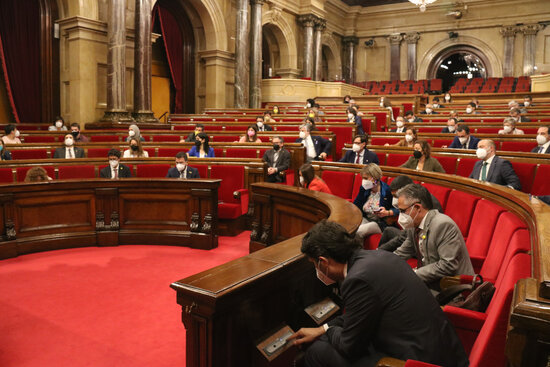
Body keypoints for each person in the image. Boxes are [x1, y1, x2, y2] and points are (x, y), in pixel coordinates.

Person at [289, 220, 469, 367]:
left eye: (314, 264)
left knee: (316, 352)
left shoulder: (357, 279)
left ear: (323, 262)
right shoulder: (379, 257)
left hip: (416, 361)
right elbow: (359, 314)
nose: (316, 270)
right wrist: (322, 329)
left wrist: (328, 332)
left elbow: (348, 347)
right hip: (442, 353)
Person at [393, 183, 475, 292]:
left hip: (452, 289)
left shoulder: (443, 224)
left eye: (403, 211)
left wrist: (415, 273)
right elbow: (403, 252)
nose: (400, 215)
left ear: (417, 207)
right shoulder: (414, 225)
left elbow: (448, 265)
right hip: (431, 282)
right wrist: (383, 264)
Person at [378, 176, 443, 252]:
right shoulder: (410, 202)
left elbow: (405, 238)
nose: (395, 199)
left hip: (423, 244)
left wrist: (379, 251)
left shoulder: (427, 205)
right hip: (411, 237)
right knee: (388, 230)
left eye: (396, 196)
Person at [352, 164, 396, 239]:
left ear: (375, 178)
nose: (363, 181)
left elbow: (398, 209)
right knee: (352, 227)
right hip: (365, 218)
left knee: (359, 231)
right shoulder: (365, 188)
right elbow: (356, 204)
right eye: (363, 178)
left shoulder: (387, 190)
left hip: (379, 223)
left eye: (366, 178)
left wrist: (387, 212)